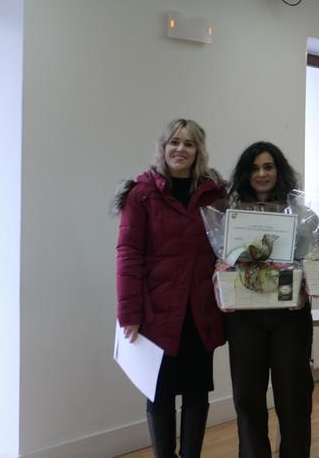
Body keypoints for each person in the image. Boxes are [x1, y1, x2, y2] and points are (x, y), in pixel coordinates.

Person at [114, 119, 226, 458]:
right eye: (174, 142)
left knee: (195, 392)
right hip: (157, 312)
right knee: (159, 393)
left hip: (200, 309)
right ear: (163, 147)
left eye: (189, 143)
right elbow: (128, 254)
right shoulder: (142, 194)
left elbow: (227, 246)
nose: (180, 149)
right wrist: (129, 313)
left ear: (198, 151)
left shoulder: (215, 194)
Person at [223, 141, 315, 458]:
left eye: (268, 166)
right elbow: (222, 261)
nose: (261, 174)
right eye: (254, 168)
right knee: (247, 400)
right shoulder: (229, 215)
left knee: (294, 399)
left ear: (279, 171)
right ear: (245, 174)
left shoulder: (302, 215)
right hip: (245, 316)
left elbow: (313, 260)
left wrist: (306, 282)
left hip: (290, 316)